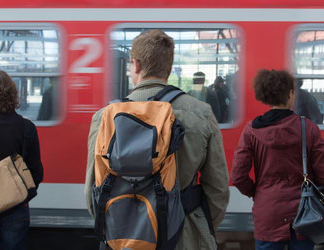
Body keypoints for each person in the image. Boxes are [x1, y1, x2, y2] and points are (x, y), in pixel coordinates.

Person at [85, 29, 229, 249]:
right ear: (169, 68)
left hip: (124, 238)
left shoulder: (103, 118)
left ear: (135, 65)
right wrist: (198, 226)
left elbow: (92, 193)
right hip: (184, 235)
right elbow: (217, 189)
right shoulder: (201, 113)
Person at [231, 69, 324, 250]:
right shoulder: (308, 128)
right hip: (304, 213)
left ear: (265, 97)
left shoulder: (251, 131)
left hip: (267, 213)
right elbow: (322, 172)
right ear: (290, 94)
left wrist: (257, 192)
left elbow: (238, 176)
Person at [0, 70, 43, 250]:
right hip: (16, 208)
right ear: (12, 94)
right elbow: (36, 174)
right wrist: (18, 196)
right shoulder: (27, 128)